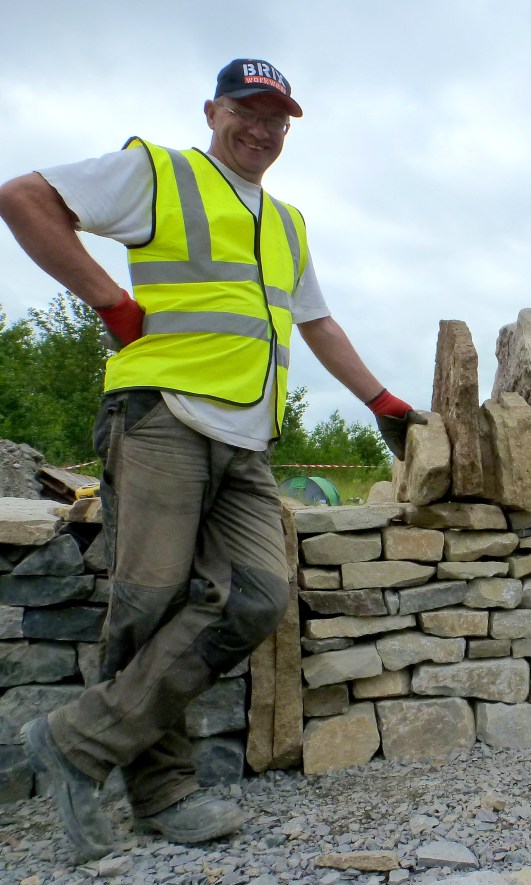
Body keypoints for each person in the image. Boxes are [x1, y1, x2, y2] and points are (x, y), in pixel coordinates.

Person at [0, 58, 423, 861]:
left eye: (277, 119)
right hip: (160, 413)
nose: (262, 129)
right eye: (247, 111)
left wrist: (382, 402)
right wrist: (110, 299)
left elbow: (319, 323)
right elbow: (23, 197)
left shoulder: (287, 221)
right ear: (212, 110)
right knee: (149, 602)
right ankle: (161, 794)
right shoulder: (161, 173)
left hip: (247, 438)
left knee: (259, 595)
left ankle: (78, 741)